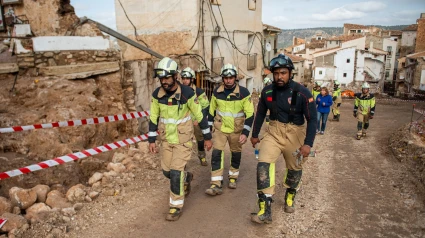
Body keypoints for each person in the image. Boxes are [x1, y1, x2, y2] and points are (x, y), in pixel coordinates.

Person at [250, 54, 317, 224]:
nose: (279, 77)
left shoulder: (303, 93)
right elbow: (260, 114)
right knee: (263, 166)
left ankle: (290, 194)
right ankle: (265, 210)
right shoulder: (268, 91)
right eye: (276, 73)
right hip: (274, 131)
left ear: (290, 73)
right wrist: (255, 135)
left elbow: (312, 120)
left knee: (294, 168)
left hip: (295, 133)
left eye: (283, 73)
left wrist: (308, 144)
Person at [148, 57, 213, 221]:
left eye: (167, 77)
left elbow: (200, 116)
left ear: (175, 76)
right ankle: (186, 177)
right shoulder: (157, 95)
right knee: (167, 172)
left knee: (176, 172)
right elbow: (153, 117)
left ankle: (175, 206)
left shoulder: (188, 94)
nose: (164, 81)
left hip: (183, 141)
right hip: (166, 140)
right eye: (161, 78)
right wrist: (151, 140)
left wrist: (207, 137)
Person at [205, 63, 254, 195]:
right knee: (217, 154)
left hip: (236, 130)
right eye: (225, 78)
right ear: (222, 78)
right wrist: (208, 131)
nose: (228, 80)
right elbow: (211, 112)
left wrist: (245, 132)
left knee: (235, 153)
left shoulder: (243, 93)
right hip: (220, 129)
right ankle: (216, 183)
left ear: (235, 78)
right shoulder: (216, 92)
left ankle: (233, 177)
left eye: (231, 77)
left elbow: (250, 114)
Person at [181, 67, 210, 166]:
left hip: (196, 121)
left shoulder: (199, 91)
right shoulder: (179, 91)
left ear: (192, 79)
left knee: (200, 139)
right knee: (183, 141)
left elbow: (206, 107)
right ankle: (182, 162)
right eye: (183, 78)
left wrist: (199, 119)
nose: (185, 81)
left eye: (187, 79)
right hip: (184, 121)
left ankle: (202, 156)